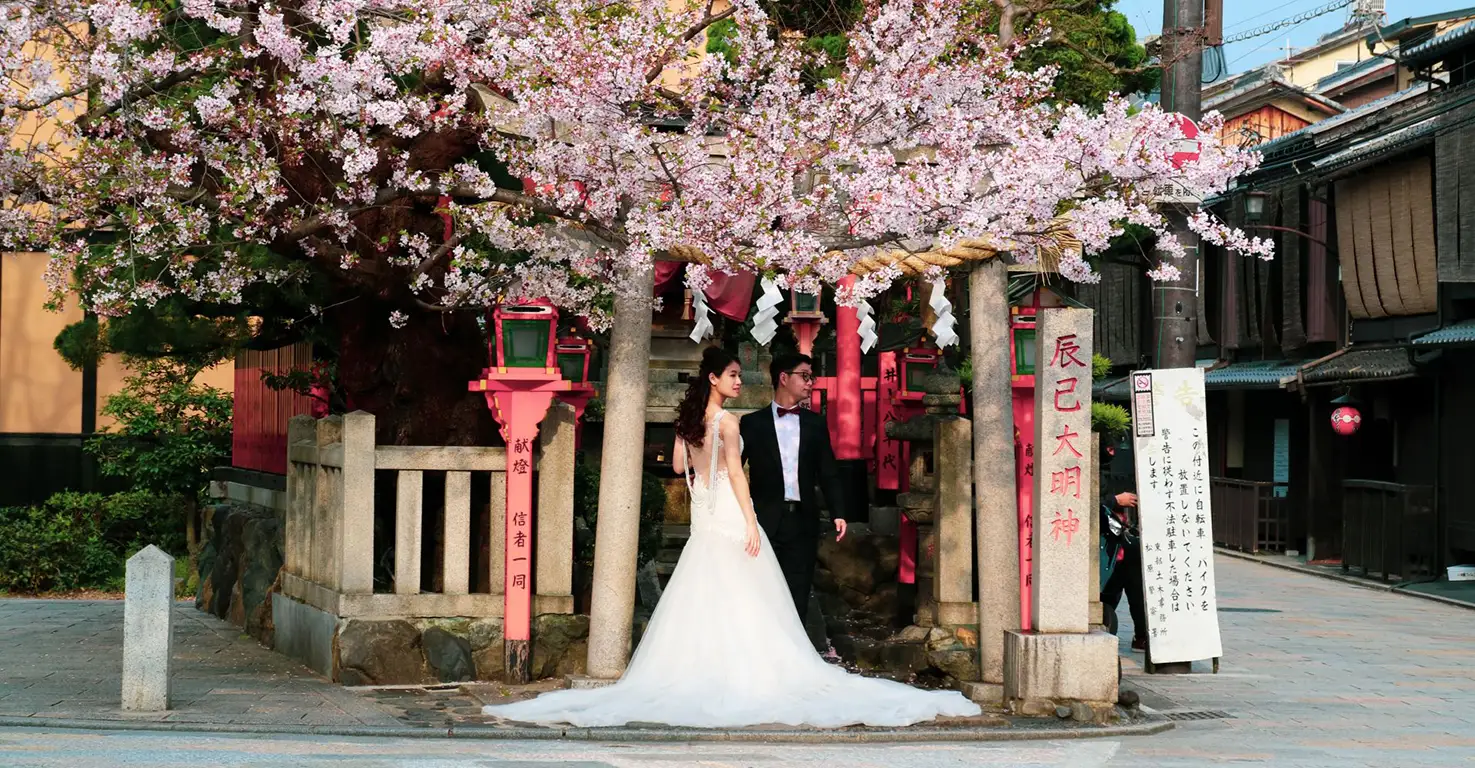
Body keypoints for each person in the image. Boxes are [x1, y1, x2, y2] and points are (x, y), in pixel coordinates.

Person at [481, 347, 981, 728]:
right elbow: (737, 476)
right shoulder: (729, 421)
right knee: (749, 598)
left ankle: (702, 668)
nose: (742, 381)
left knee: (705, 596)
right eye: (735, 375)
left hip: (703, 519)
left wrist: (698, 462)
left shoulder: (690, 422)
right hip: (726, 513)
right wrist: (748, 520)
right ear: (715, 380)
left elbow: (679, 468)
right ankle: (750, 671)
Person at [738, 352, 848, 622]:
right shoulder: (752, 423)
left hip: (803, 520)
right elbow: (734, 470)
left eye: (812, 377)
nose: (810, 382)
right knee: (762, 589)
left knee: (798, 591)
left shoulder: (816, 424)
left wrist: (839, 512)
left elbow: (828, 471)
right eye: (805, 376)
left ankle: (793, 654)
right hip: (764, 521)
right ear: (783, 378)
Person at [1099, 441, 1148, 652]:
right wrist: (1116, 500)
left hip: (1114, 538)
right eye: (1110, 443)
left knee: (1131, 557)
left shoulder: (1105, 468)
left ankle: (1141, 633)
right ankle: (1140, 635)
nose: (1114, 449)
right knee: (1128, 563)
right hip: (1101, 540)